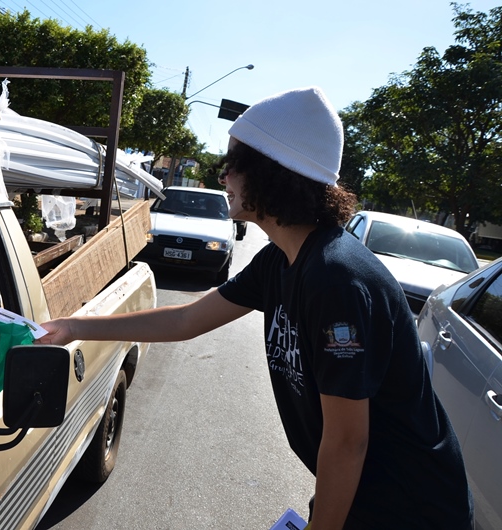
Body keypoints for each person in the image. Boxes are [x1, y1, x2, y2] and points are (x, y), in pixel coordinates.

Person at [36, 87, 474, 529]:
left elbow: (347, 442)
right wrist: (74, 326)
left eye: (232, 166)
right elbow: (186, 318)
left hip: (411, 508)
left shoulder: (335, 278)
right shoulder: (281, 260)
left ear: (270, 173)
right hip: (363, 493)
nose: (223, 177)